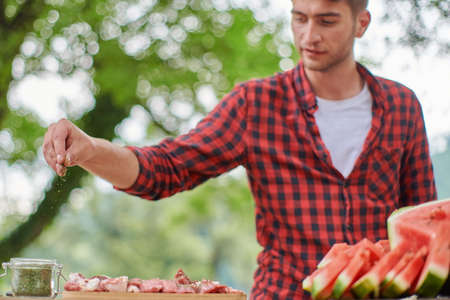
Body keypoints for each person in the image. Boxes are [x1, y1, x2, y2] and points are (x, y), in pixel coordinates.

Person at [42, 0, 437, 299]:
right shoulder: (257, 104)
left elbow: (427, 229)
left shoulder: (402, 105)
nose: (308, 35)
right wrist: (91, 149)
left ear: (361, 23)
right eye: (299, 18)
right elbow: (165, 169)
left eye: (327, 21)